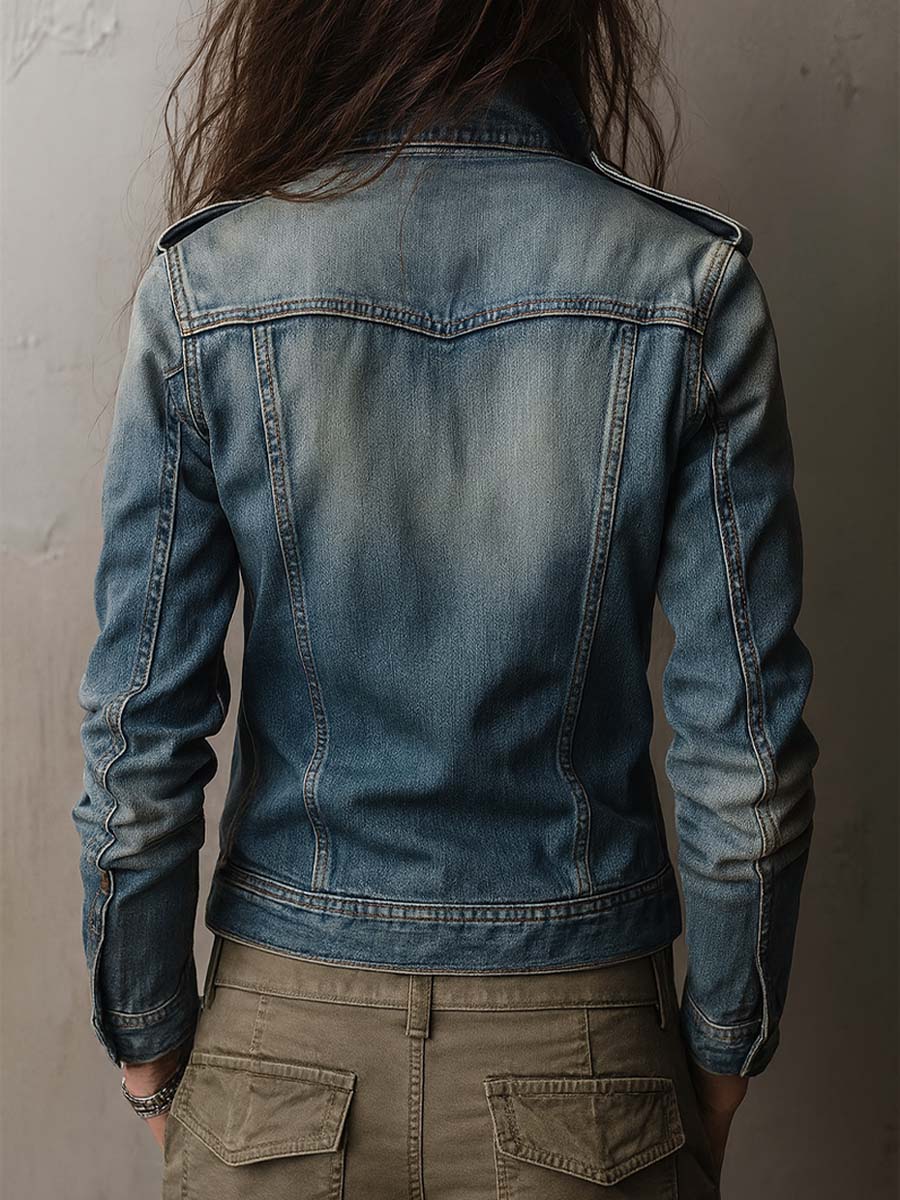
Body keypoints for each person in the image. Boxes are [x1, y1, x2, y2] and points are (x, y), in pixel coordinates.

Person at [72, 2, 819, 1196]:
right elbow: (749, 758)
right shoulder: (687, 287)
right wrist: (723, 1056)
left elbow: (136, 743)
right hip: (584, 1059)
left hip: (280, 1058)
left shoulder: (209, 286)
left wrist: (151, 1049)